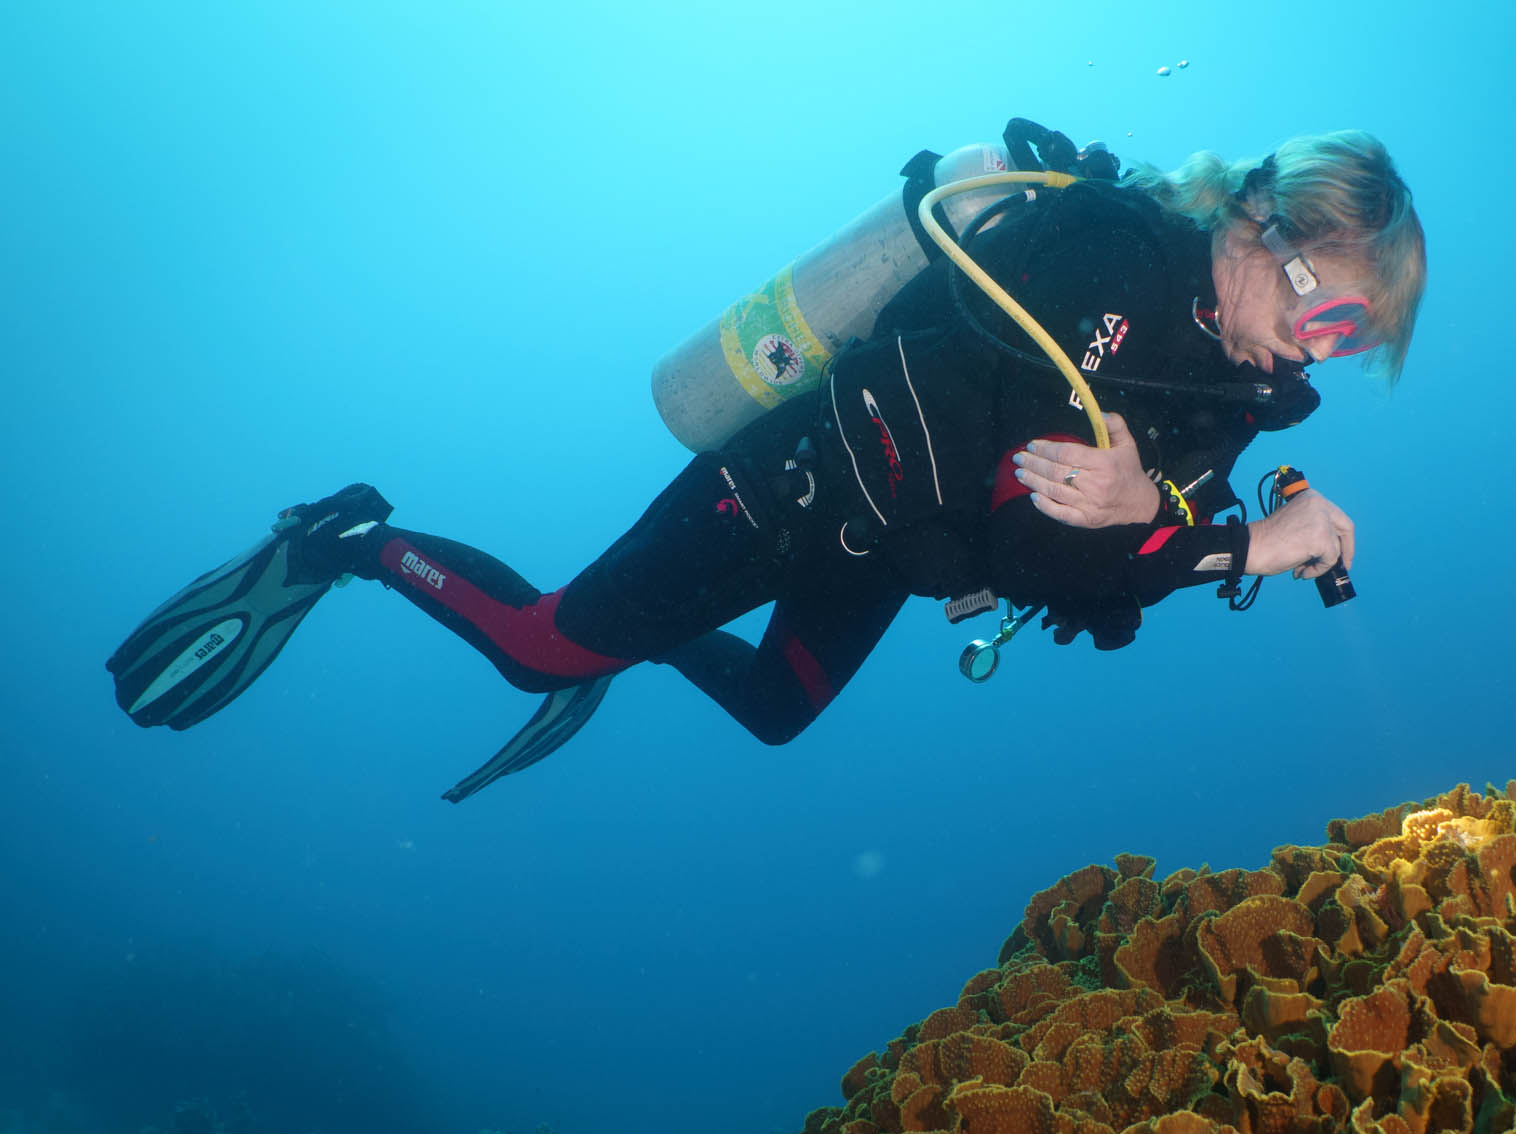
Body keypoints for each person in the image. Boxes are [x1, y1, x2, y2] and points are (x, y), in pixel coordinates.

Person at [107, 128, 1427, 800]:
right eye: (1323, 307)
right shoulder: (1114, 266)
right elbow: (1047, 543)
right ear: (1258, 225)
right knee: (540, 649)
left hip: (889, 544)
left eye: (1349, 336)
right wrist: (1230, 543)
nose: (1315, 351)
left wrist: (1198, 514)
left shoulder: (1230, 391)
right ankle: (342, 537)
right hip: (788, 484)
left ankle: (628, 640)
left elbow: (1117, 561)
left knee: (778, 712)